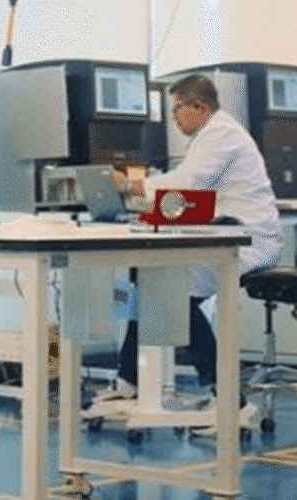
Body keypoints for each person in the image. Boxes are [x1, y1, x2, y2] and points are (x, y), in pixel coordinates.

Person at [93, 74, 282, 408]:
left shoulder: (221, 133)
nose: (174, 117)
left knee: (172, 287)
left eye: (178, 108)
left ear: (200, 106)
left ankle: (225, 397)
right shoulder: (210, 136)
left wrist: (135, 187)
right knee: (145, 278)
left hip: (248, 239)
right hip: (227, 232)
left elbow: (190, 183)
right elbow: (192, 193)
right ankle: (128, 379)